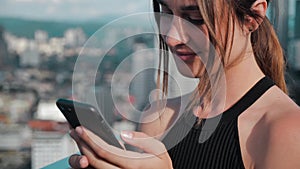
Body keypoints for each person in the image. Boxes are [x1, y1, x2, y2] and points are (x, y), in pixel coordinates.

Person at [68, 0, 300, 168]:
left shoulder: (285, 130)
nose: (171, 37)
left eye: (196, 18)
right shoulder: (160, 117)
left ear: (253, 17)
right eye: (167, 15)